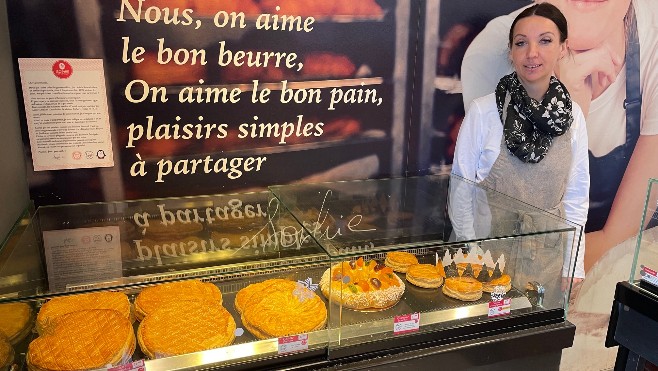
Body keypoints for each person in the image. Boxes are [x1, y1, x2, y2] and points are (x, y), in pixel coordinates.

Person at [461, 0, 658, 273]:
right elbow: (518, 246)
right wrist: (567, 105)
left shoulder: (655, 33)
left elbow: (621, 240)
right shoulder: (492, 55)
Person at [449, 3, 589, 294]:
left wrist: (572, 266)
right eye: (521, 43)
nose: (532, 53)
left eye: (545, 41)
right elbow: (461, 188)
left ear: (563, 48)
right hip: (485, 260)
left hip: (545, 262)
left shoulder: (574, 117)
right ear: (511, 52)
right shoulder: (484, 112)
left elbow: (576, 196)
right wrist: (472, 253)